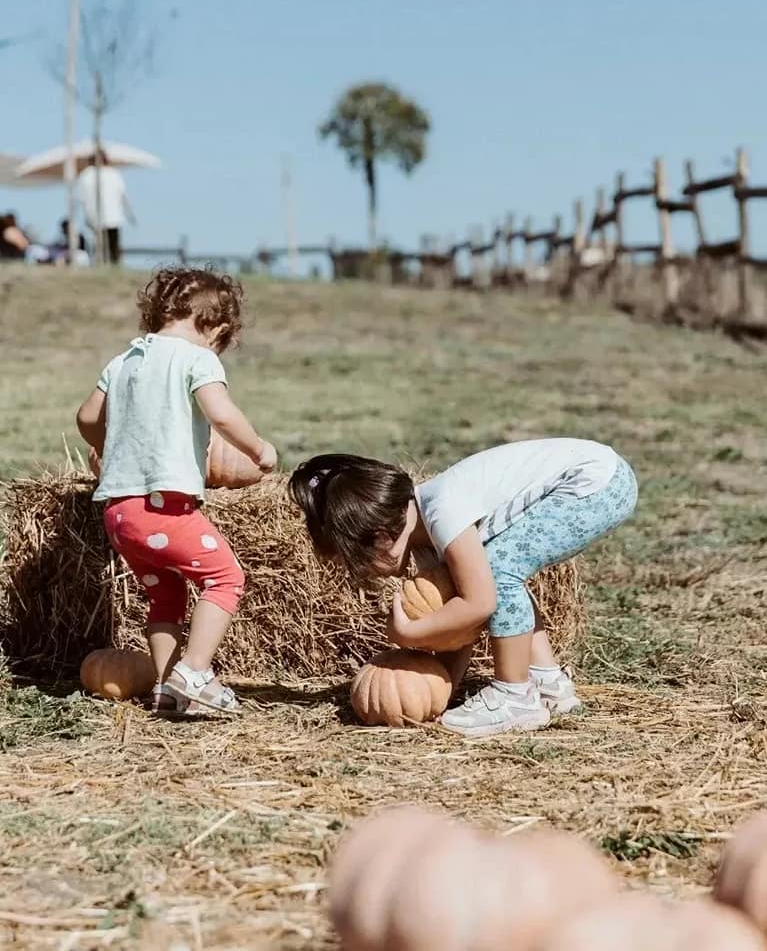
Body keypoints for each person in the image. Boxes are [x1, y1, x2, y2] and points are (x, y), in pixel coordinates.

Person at [289, 440, 638, 738]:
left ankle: (515, 696)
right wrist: (441, 692)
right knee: (498, 569)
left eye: (357, 563)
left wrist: (410, 633)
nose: (363, 575)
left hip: (595, 483)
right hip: (596, 477)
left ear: (381, 539)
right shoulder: (425, 537)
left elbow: (480, 603)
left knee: (500, 569)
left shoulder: (443, 511)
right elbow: (463, 622)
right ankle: (549, 686)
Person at [76, 266, 278, 716]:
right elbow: (221, 415)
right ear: (218, 327)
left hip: (120, 516)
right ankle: (196, 672)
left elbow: (87, 417)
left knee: (165, 596)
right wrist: (258, 448)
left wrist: (106, 447)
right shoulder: (197, 358)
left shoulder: (123, 360)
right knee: (225, 578)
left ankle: (167, 688)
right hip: (164, 510)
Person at [77, 150, 135, 264]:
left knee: (99, 245)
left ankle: (102, 263)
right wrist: (130, 214)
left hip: (95, 217)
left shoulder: (86, 174)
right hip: (113, 216)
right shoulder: (113, 173)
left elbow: (80, 197)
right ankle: (113, 263)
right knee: (112, 245)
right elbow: (123, 195)